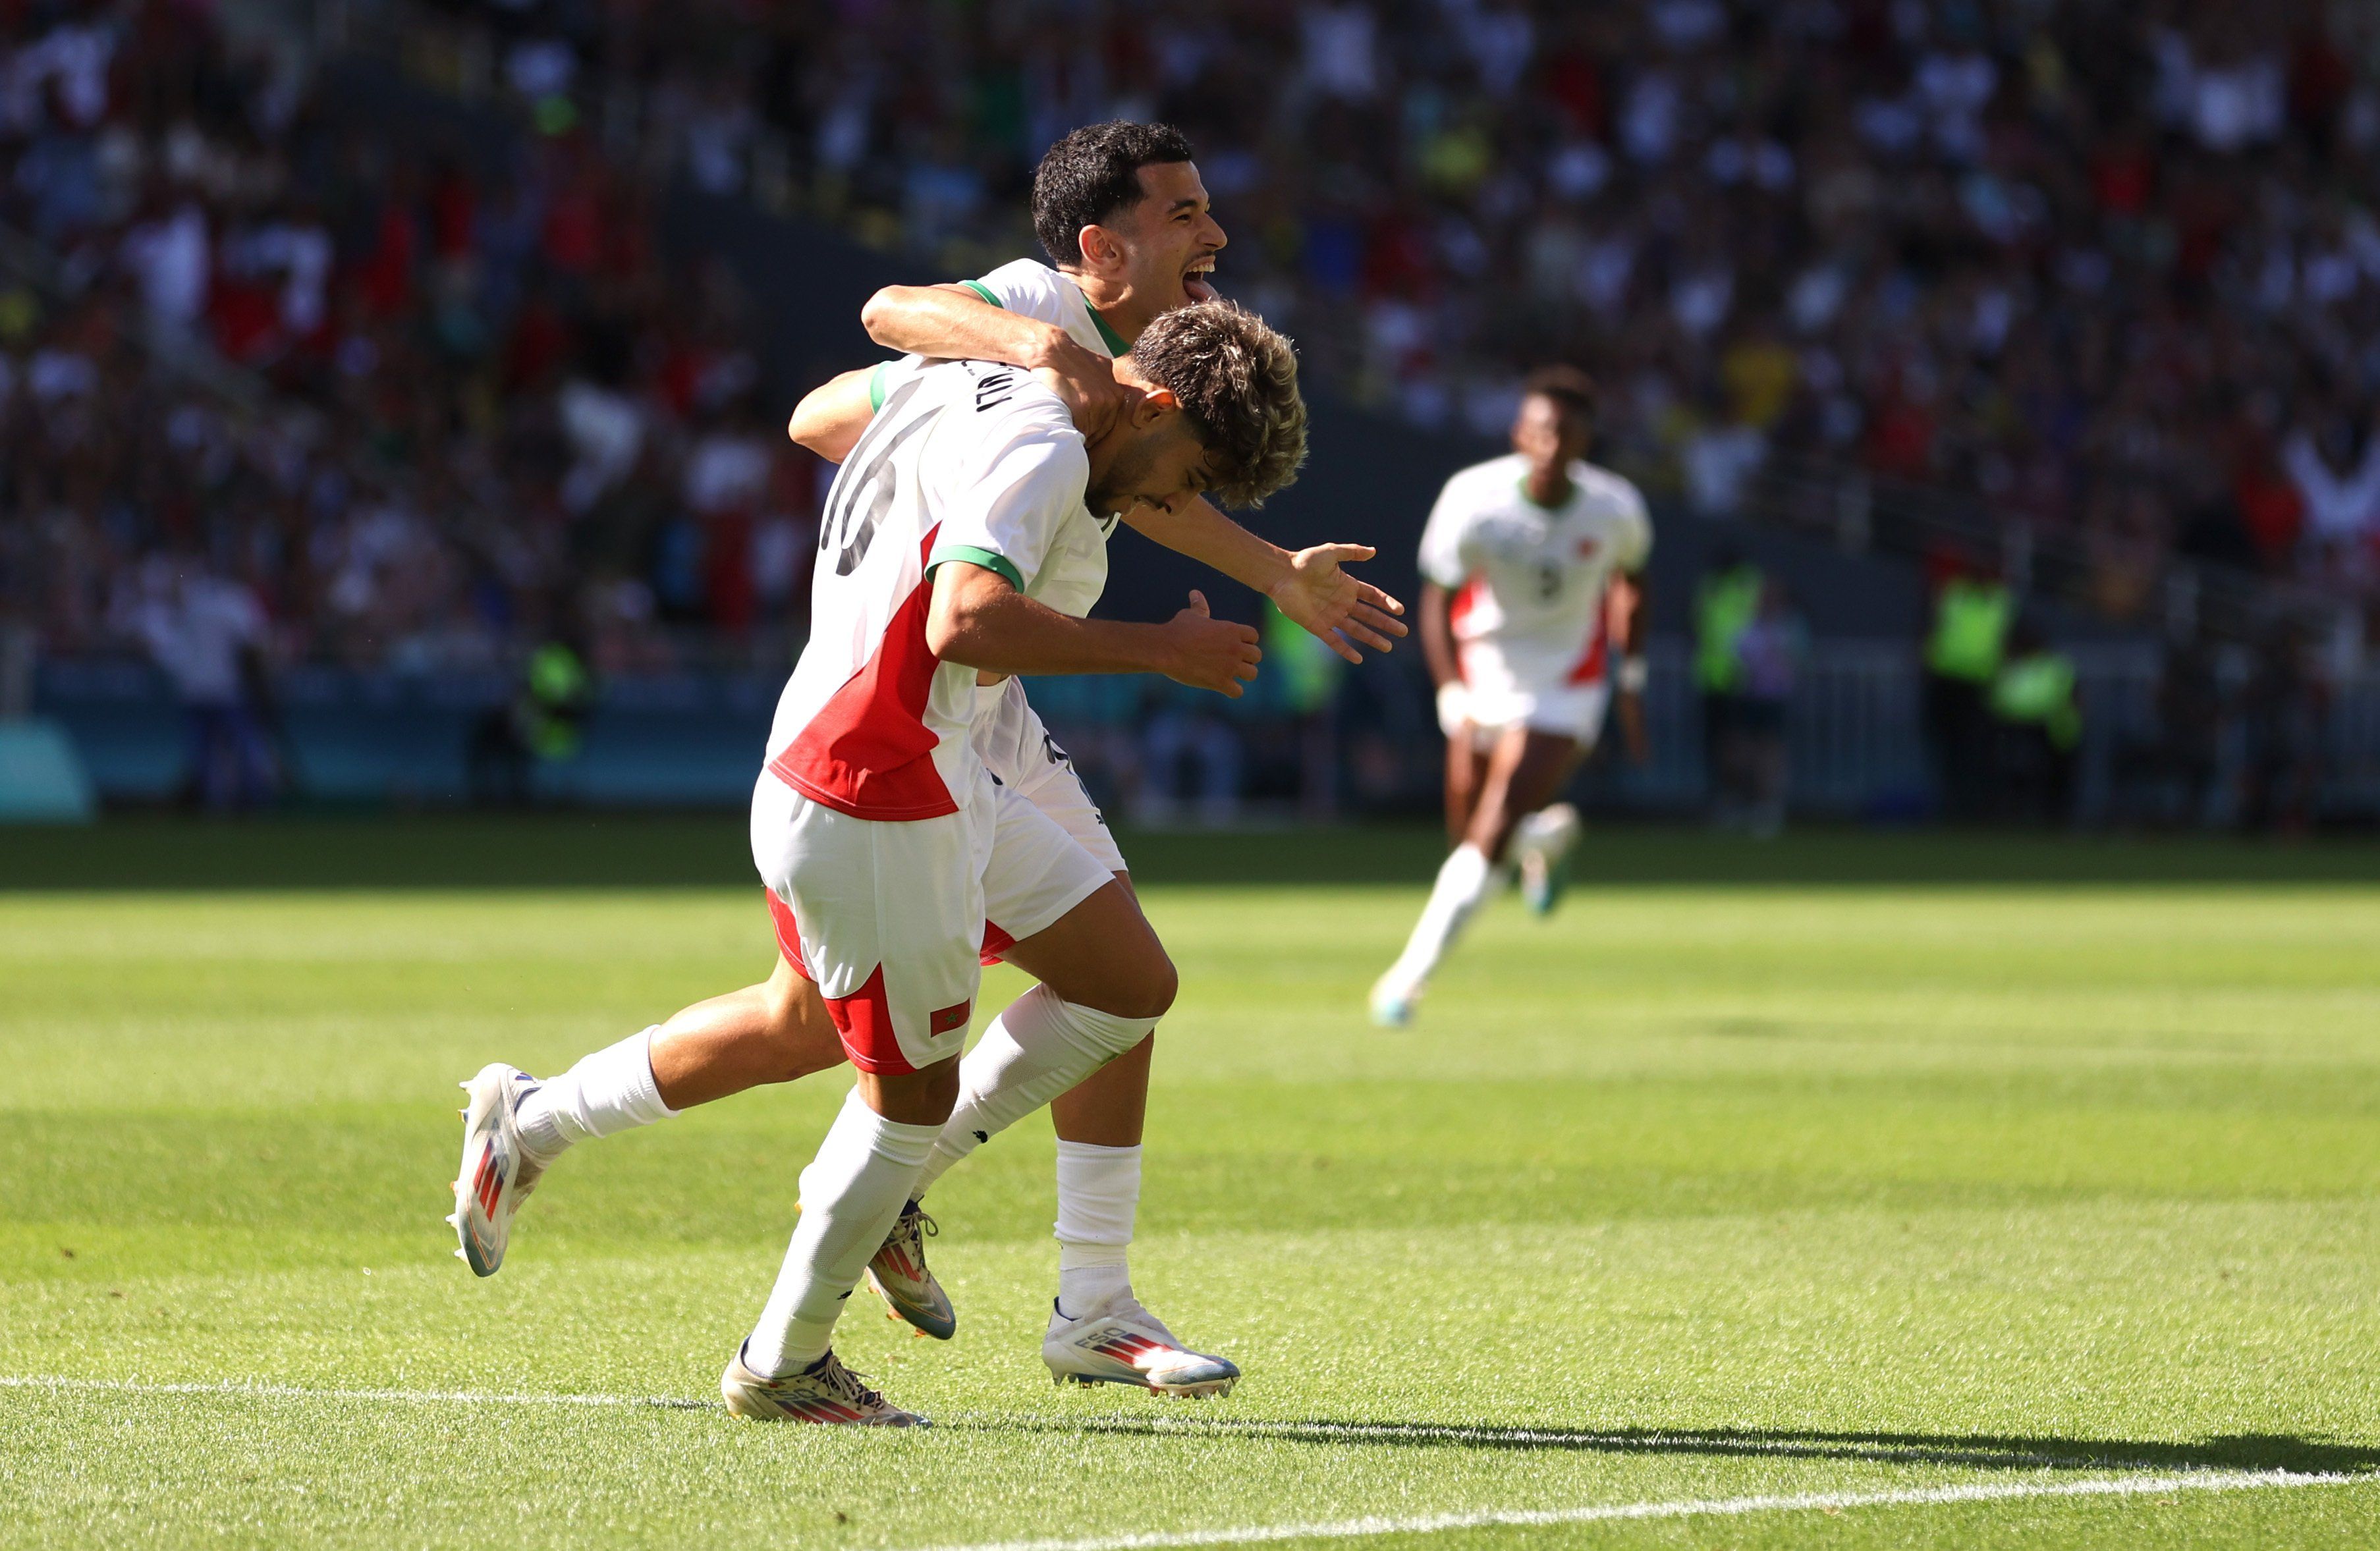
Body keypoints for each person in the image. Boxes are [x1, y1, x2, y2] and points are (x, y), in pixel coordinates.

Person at [451, 122, 1398, 1398]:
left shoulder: (1061, 403)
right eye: (1186, 214)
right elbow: (868, 401)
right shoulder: (1030, 332)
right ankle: (810, 1332)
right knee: (912, 1082)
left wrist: (1259, 565)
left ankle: (542, 1121)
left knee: (1100, 987)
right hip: (903, 745)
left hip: (927, 725)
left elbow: (1065, 456)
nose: (1214, 236)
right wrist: (1026, 395)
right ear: (1099, 247)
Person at [1370, 366, 1651, 1027]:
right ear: (1519, 432)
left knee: (1488, 830)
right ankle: (1545, 840)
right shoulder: (1473, 498)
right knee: (1470, 833)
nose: (1552, 445)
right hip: (1484, 670)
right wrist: (1450, 690)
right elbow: (1437, 597)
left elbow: (1633, 585)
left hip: (1564, 684)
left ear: (1586, 440)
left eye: (1568, 433)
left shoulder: (1614, 509)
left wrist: (1630, 681)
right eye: (1542, 430)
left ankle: (1407, 979)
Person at [1922, 562, 2012, 822]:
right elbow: (1932, 627)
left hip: (1979, 684)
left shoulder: (1999, 600)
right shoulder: (1954, 594)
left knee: (1976, 750)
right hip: (1947, 680)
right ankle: (1951, 806)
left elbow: (2005, 638)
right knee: (1946, 747)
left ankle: (1973, 808)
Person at [1693, 547, 1763, 827]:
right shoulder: (1709, 585)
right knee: (1719, 745)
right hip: (1712, 678)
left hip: (1746, 679)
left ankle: (1751, 800)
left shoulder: (1749, 583)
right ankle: (1726, 799)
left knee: (1746, 744)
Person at [1988, 619, 2082, 825]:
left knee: (2056, 775)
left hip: (2051, 729)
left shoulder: (2054, 665)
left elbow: (2073, 696)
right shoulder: (2010, 665)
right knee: (2014, 772)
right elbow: (1999, 699)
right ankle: (2012, 814)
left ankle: (2056, 817)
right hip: (2015, 729)